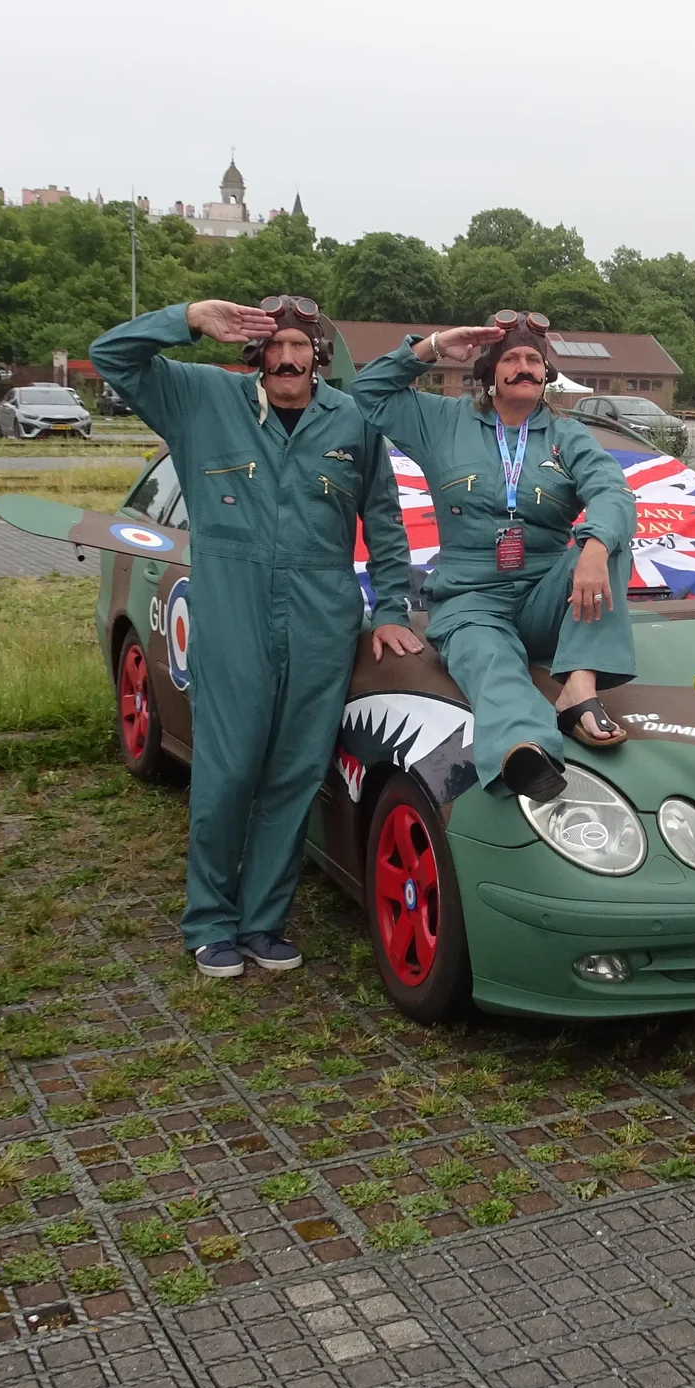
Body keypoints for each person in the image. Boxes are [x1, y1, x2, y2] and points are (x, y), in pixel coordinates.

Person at [91, 297, 420, 976]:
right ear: (256, 353)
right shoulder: (202, 399)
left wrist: (391, 607)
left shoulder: (353, 419)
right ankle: (211, 920)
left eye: (301, 346)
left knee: (294, 775)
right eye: (276, 345)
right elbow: (111, 357)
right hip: (232, 610)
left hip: (322, 619)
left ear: (318, 356)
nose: (288, 358)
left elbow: (386, 521)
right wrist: (188, 318)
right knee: (229, 769)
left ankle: (264, 922)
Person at [350, 312, 636, 803]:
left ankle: (579, 687)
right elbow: (368, 392)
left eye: (533, 360)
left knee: (609, 541)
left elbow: (613, 490)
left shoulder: (566, 435)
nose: (524, 367)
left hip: (546, 596)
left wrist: (593, 547)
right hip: (471, 599)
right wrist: (435, 346)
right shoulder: (443, 421)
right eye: (511, 359)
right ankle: (525, 751)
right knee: (488, 660)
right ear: (489, 373)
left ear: (545, 374)